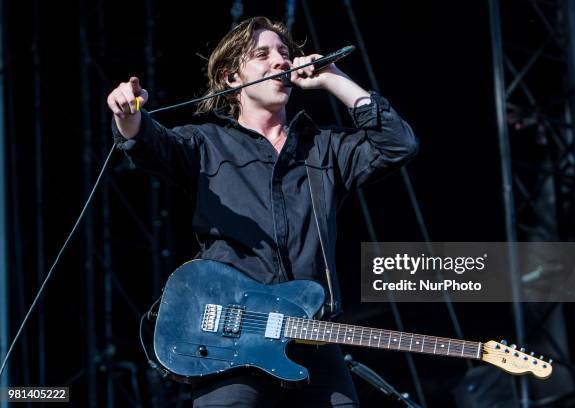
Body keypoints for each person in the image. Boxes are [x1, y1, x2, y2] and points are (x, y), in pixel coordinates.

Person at [107, 16, 418, 408]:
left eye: (284, 54)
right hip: (229, 338)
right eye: (262, 55)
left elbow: (398, 145)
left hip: (311, 335)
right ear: (230, 79)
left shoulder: (323, 149)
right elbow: (152, 145)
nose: (280, 62)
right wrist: (127, 116)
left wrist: (334, 77)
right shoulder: (206, 144)